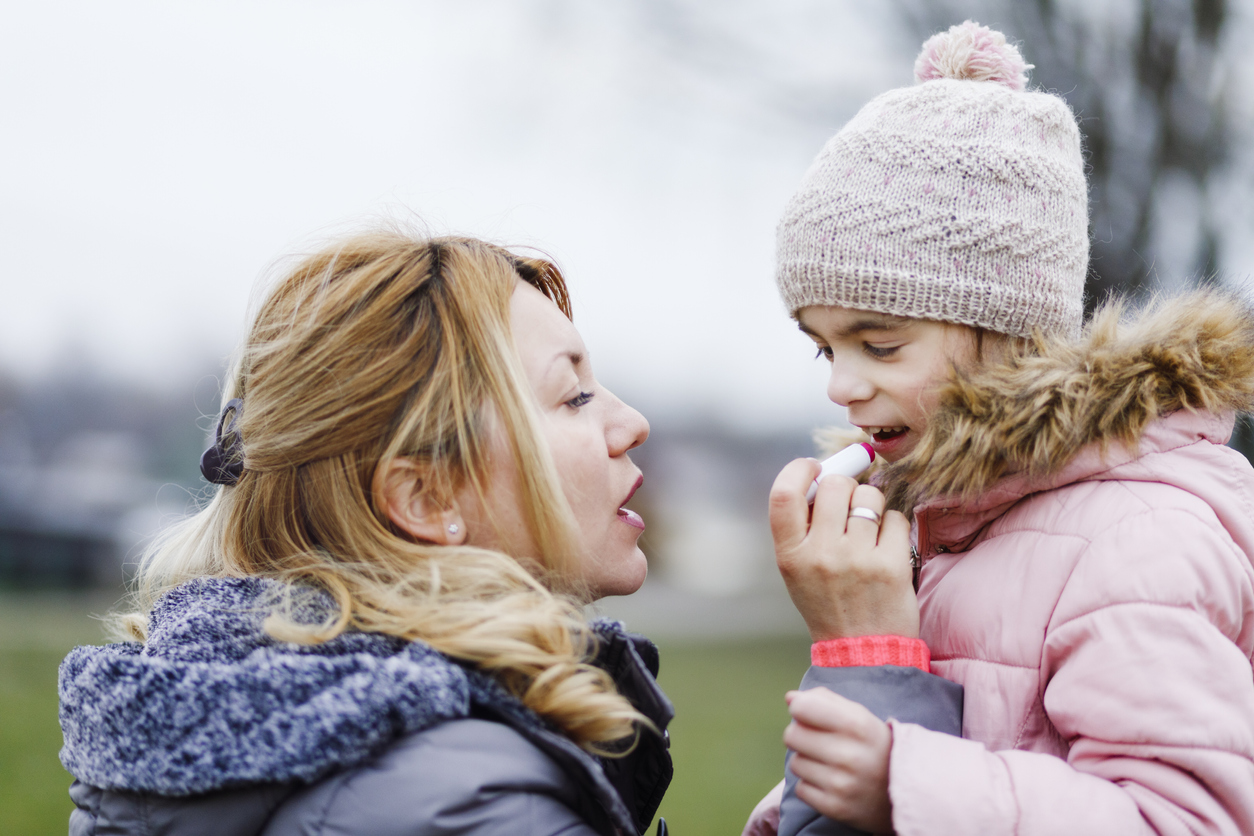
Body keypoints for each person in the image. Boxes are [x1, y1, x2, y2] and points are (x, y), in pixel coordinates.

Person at [754, 20, 1254, 836]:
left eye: (880, 342)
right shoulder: (948, 523)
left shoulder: (1136, 538)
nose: (843, 386)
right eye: (824, 350)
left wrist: (902, 783)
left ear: (1014, 326)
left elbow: (1185, 821)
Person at [58, 233, 675, 836]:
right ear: (423, 497)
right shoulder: (463, 802)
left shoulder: (226, 737)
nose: (632, 423)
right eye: (575, 397)